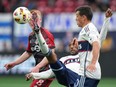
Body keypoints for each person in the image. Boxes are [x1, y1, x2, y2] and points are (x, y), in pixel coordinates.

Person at [26, 7, 112, 87]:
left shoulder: (87, 29)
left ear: (83, 17)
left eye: (77, 16)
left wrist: (93, 63)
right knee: (55, 63)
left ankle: (38, 34)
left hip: (87, 75)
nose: (75, 18)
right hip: (89, 75)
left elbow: (96, 44)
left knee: (51, 57)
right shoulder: (89, 31)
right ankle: (39, 35)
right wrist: (107, 20)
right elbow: (100, 40)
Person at [4, 10, 55, 87]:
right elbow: (28, 52)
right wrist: (14, 63)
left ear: (40, 20)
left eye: (35, 18)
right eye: (31, 19)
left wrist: (37, 67)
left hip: (48, 72)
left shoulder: (46, 34)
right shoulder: (31, 36)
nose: (33, 21)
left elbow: (51, 55)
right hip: (39, 71)